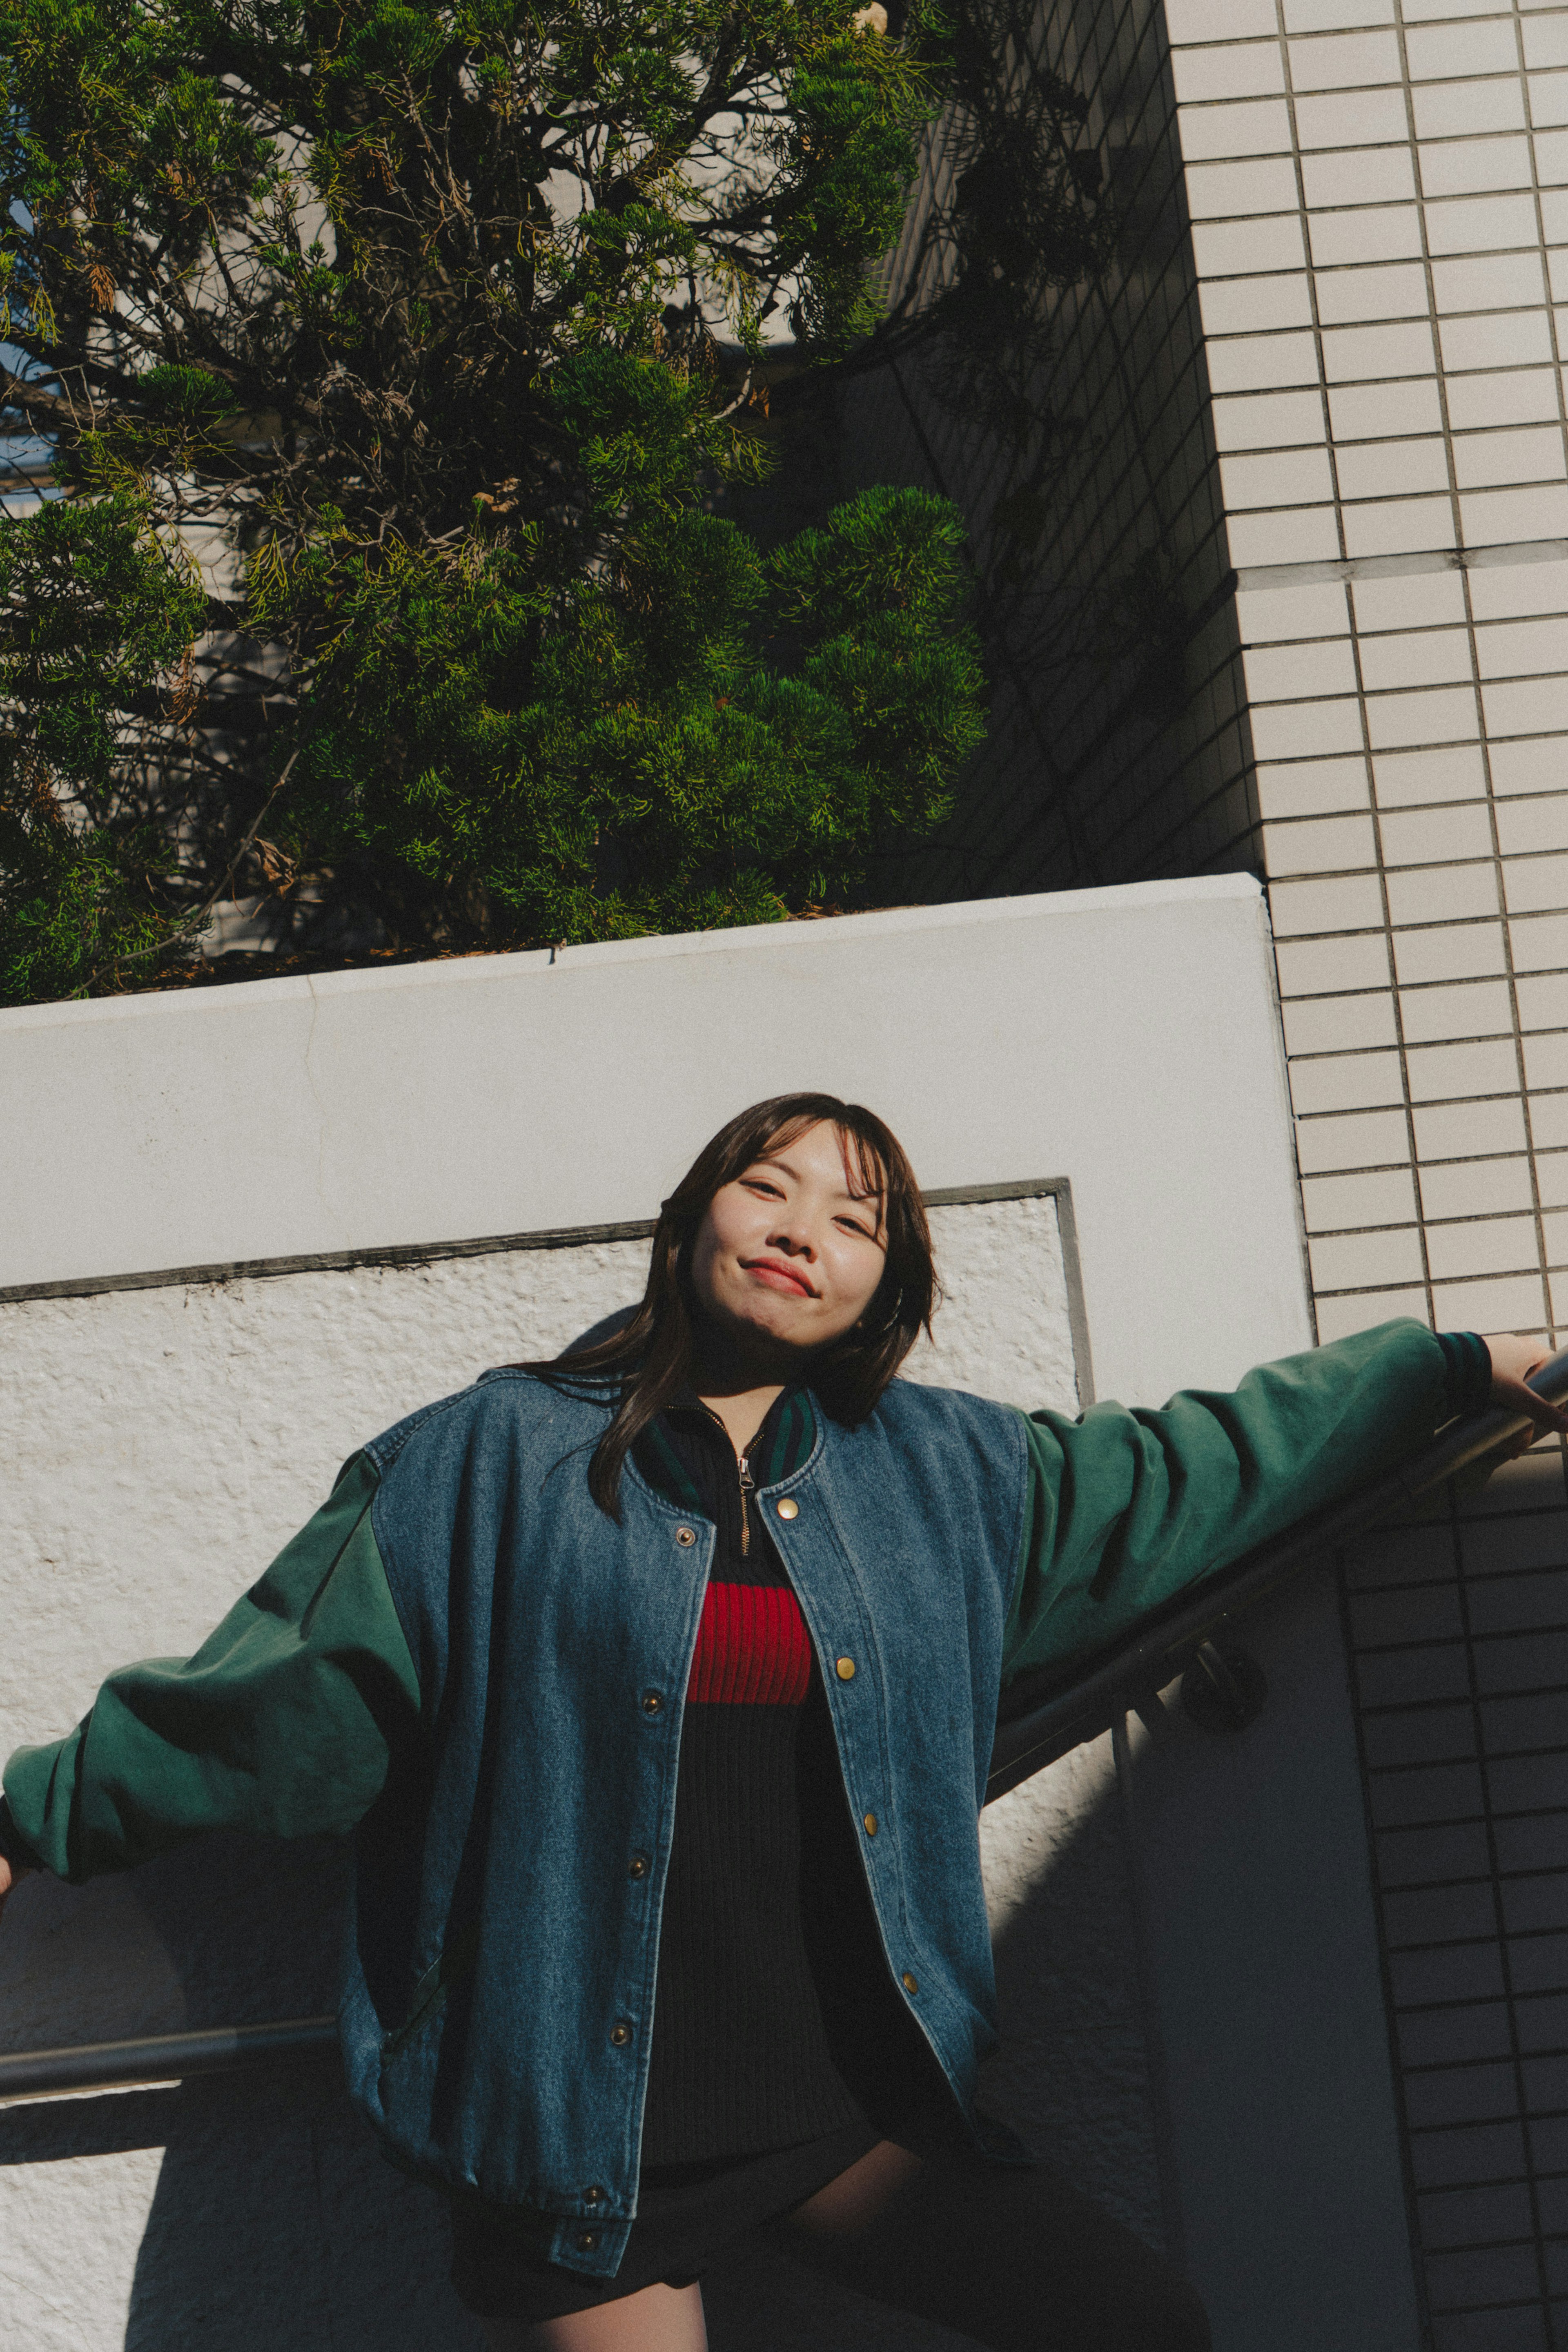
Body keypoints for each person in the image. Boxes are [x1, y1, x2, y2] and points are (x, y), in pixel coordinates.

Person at [1, 1092, 1560, 2352]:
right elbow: (283, 1704)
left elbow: (1193, 1472)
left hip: (839, 2099)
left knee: (1139, 2324)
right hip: (572, 2124)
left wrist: (1443, 1370)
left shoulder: (949, 1477)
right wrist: (35, 1813)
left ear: (895, 1284)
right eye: (770, 1186)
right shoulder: (485, 1462)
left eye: (857, 1219)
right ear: (694, 1217)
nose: (804, 1230)